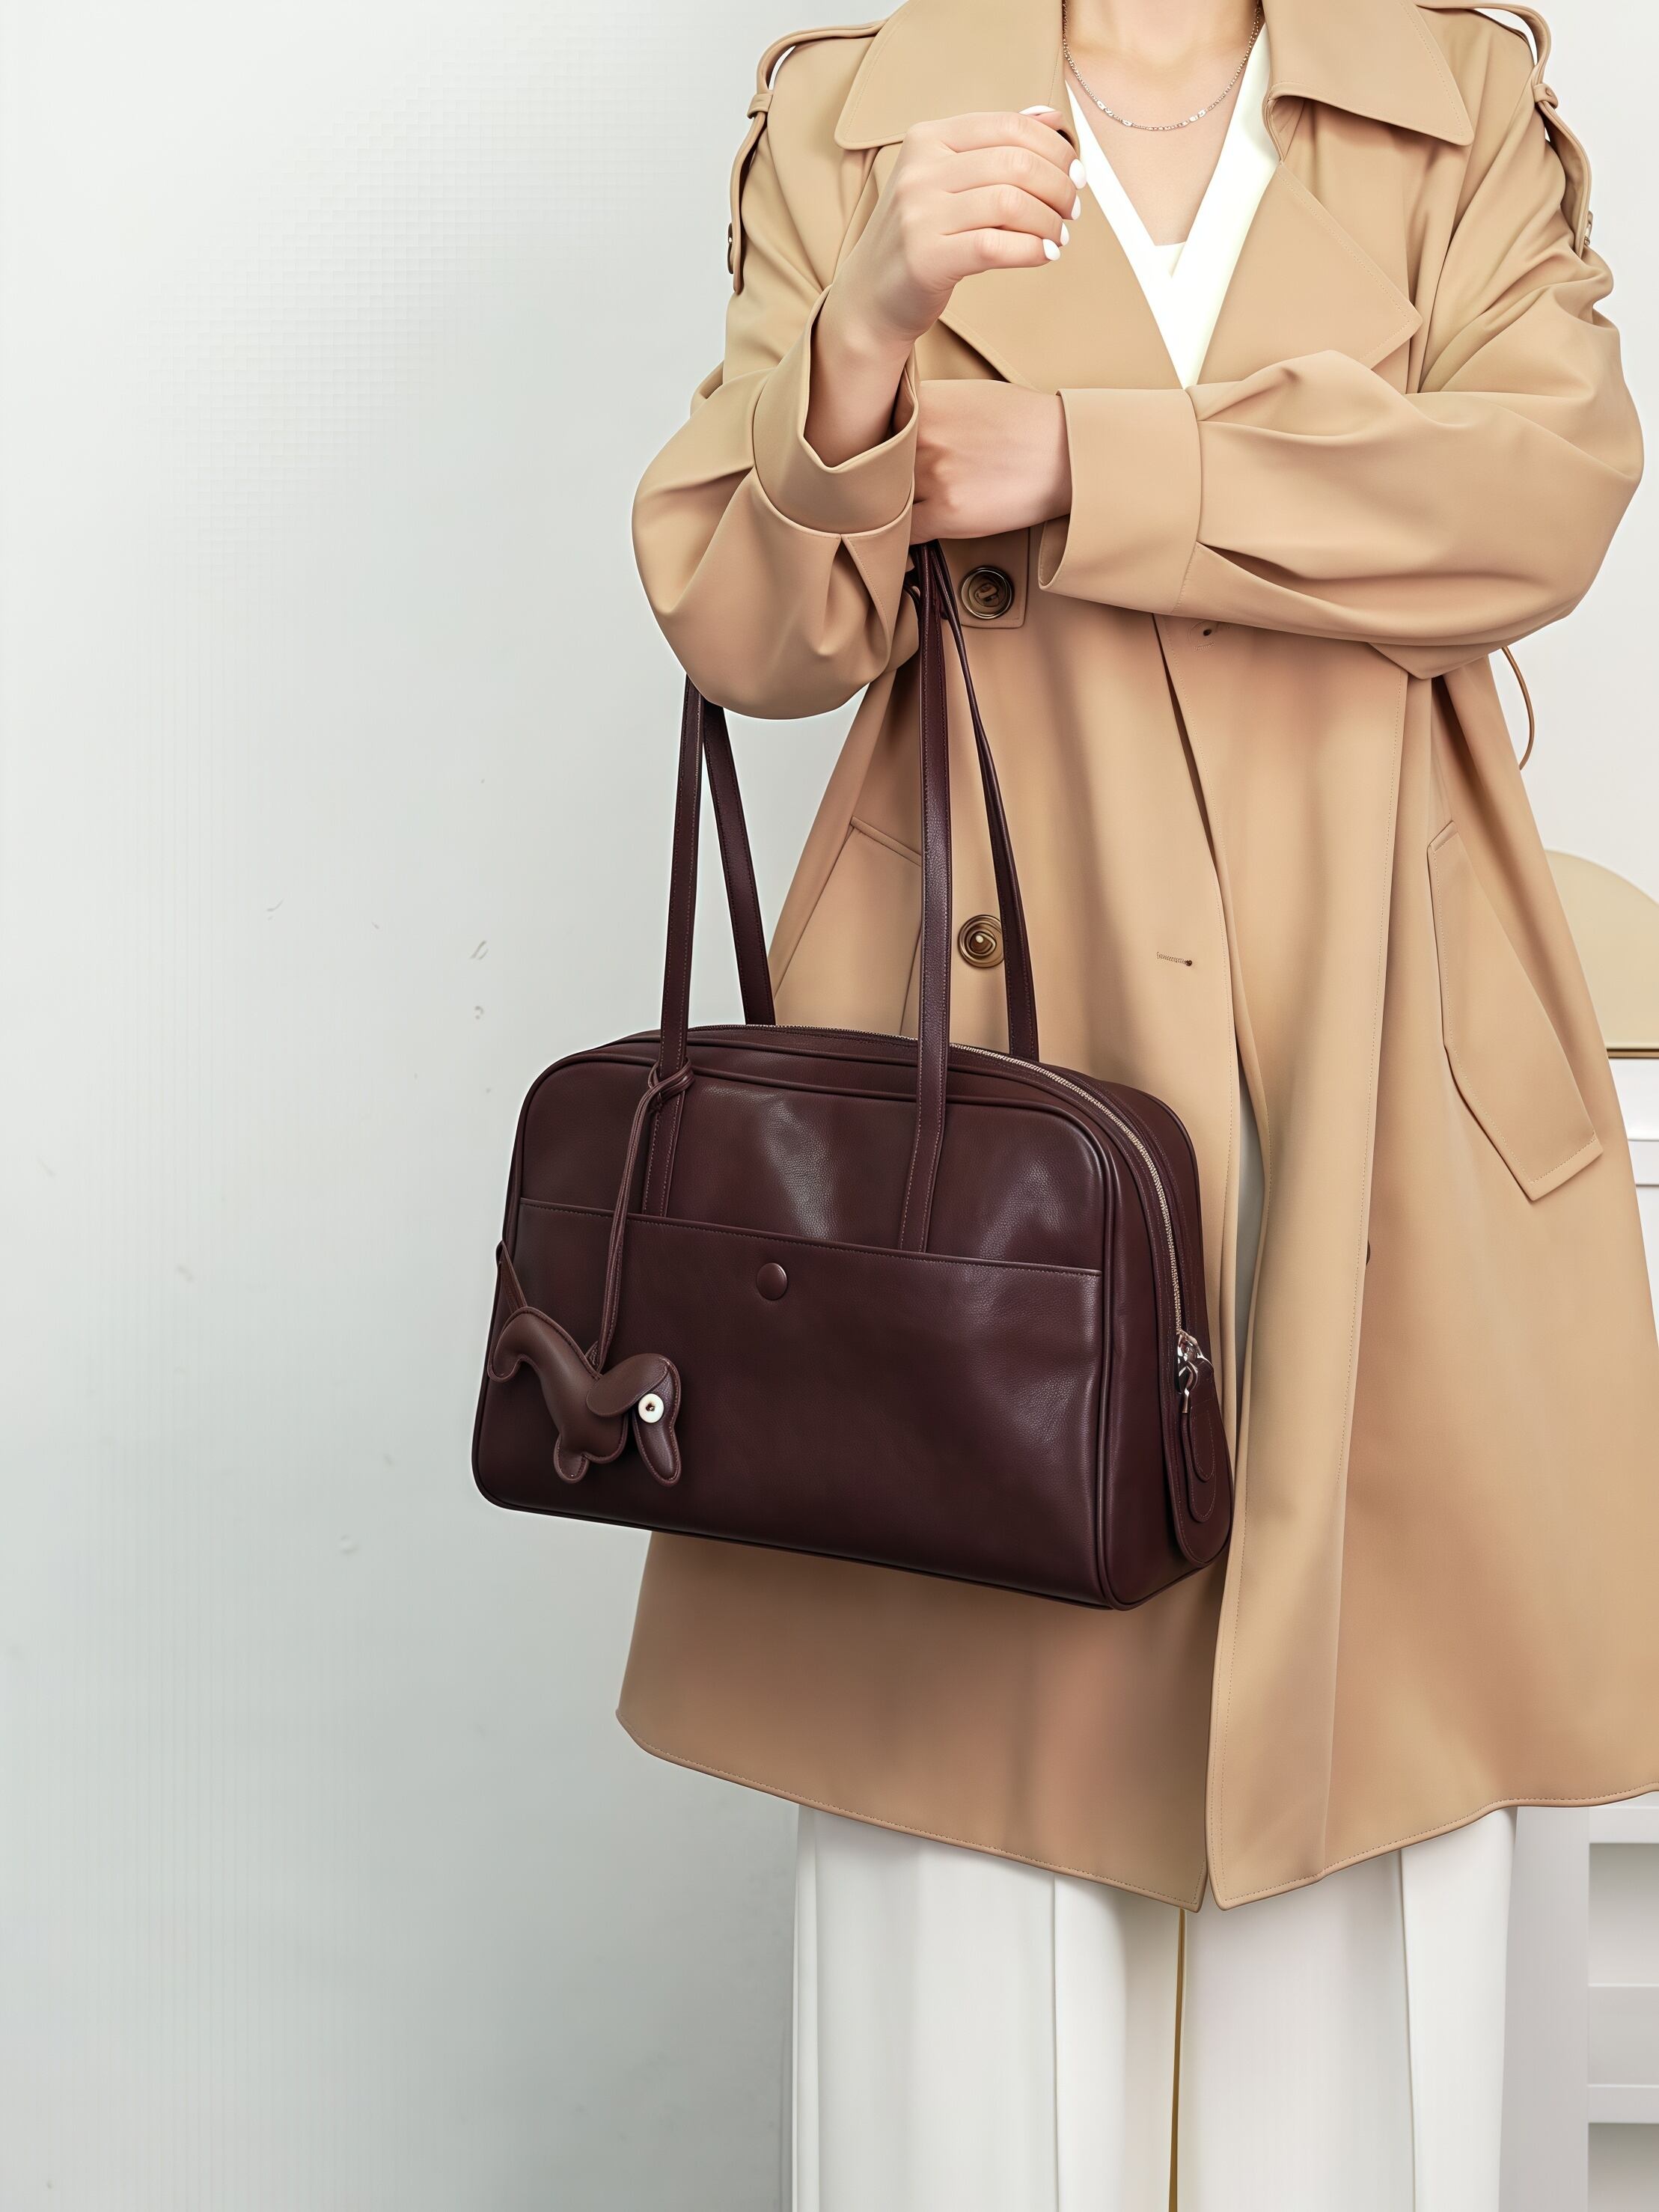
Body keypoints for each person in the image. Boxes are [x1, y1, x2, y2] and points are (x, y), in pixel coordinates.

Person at [623, 0, 1658, 2202]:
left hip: (1375, 1062)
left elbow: (1543, 491)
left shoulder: (1452, 99)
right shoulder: (859, 117)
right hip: (999, 1093)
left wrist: (1089, 466)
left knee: (1365, 1847)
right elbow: (747, 631)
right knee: (976, 1905)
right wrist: (863, 333)